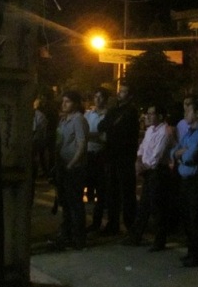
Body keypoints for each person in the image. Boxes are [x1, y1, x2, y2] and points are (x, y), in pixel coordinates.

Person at [124, 103, 175, 251]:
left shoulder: (165, 132)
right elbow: (142, 148)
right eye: (148, 113)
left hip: (158, 171)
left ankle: (160, 240)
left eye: (152, 113)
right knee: (144, 205)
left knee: (157, 207)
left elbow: (156, 156)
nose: (148, 116)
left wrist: (143, 166)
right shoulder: (150, 130)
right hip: (148, 170)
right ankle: (136, 236)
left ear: (160, 116)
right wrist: (139, 161)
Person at [172, 98, 198, 267]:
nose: (185, 113)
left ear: (197, 114)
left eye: (189, 111)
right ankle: (191, 251)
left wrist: (181, 154)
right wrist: (181, 153)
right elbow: (174, 151)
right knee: (187, 217)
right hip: (186, 180)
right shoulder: (189, 132)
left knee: (196, 218)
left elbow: (190, 157)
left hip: (197, 180)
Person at [97, 82, 139, 235]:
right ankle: (113, 223)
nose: (120, 94)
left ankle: (130, 224)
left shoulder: (130, 112)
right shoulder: (114, 110)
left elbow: (120, 130)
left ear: (130, 95)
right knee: (112, 191)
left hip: (125, 156)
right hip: (112, 155)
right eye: (120, 91)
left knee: (127, 191)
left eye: (124, 91)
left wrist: (111, 127)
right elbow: (102, 126)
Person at [52, 91, 89, 250]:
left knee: (75, 204)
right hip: (63, 166)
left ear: (75, 103)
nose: (64, 104)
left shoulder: (78, 120)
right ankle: (66, 234)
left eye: (68, 101)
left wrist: (72, 164)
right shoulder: (63, 120)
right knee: (66, 203)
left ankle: (78, 237)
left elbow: (81, 144)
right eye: (63, 101)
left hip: (74, 168)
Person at [84, 87, 109, 232]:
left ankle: (96, 222)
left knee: (100, 191)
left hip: (101, 155)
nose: (97, 100)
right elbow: (83, 133)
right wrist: (95, 135)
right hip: (88, 154)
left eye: (100, 97)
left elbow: (105, 137)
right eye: (96, 97)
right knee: (88, 189)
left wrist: (91, 136)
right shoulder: (89, 114)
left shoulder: (108, 116)